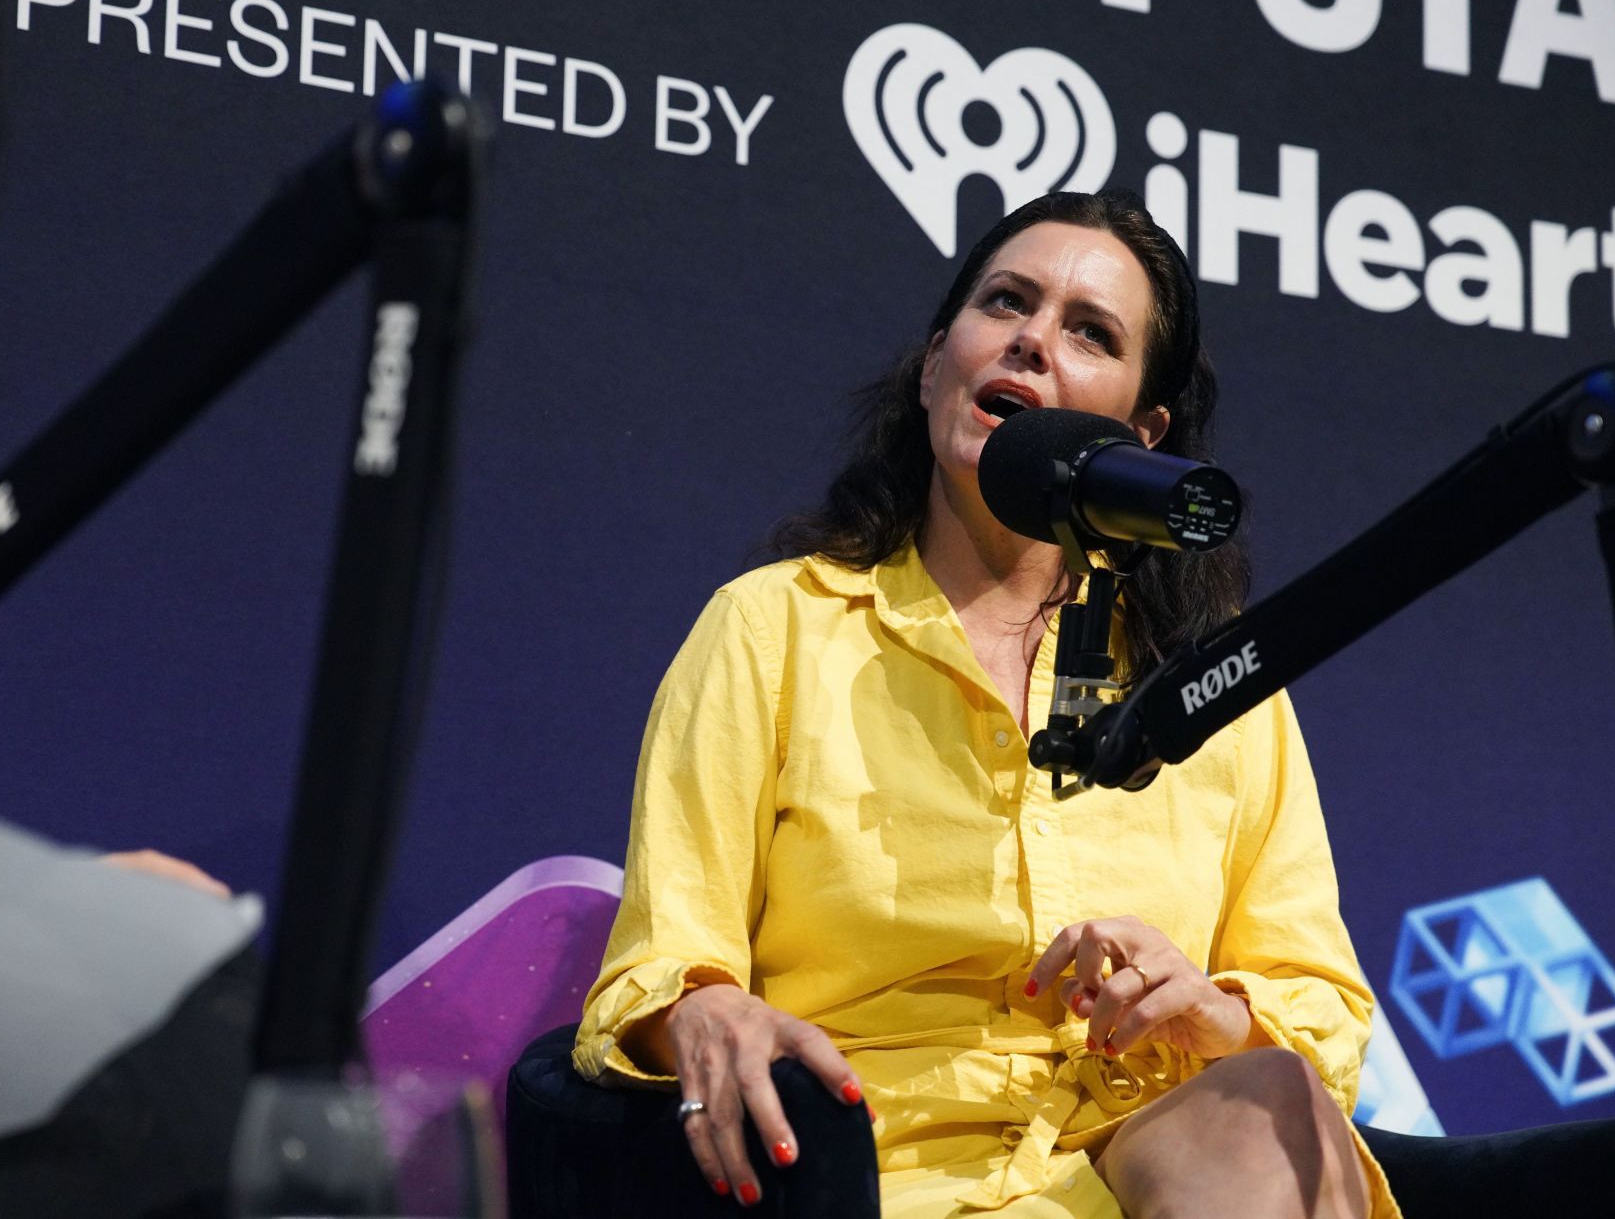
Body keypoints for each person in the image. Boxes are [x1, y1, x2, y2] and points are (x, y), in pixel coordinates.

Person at [573, 190, 1397, 1218]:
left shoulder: (1211, 689)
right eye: (1006, 302)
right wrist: (703, 1009)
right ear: (933, 368)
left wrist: (1212, 1012)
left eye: (1090, 331)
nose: (1034, 339)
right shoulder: (771, 627)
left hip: (1159, 1167)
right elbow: (651, 971)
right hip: (874, 1174)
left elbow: (1323, 1003)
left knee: (1270, 1099)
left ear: (1143, 435)